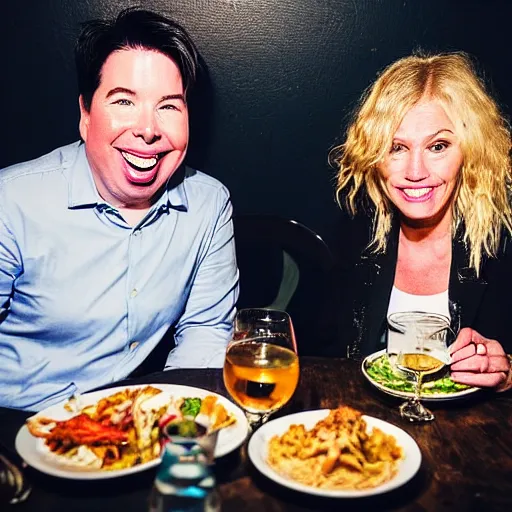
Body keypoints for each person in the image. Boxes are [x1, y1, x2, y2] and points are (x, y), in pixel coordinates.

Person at [0, 8, 239, 411]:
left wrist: (175, 424)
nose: (148, 129)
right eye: (124, 101)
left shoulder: (208, 206)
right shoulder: (12, 202)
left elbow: (205, 331)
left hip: (133, 424)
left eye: (168, 106)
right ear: (85, 115)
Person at [332, 52, 512, 391]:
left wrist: (507, 375)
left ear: (469, 151)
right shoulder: (357, 233)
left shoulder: (502, 243)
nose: (415, 172)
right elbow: (322, 358)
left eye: (438, 146)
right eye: (396, 147)